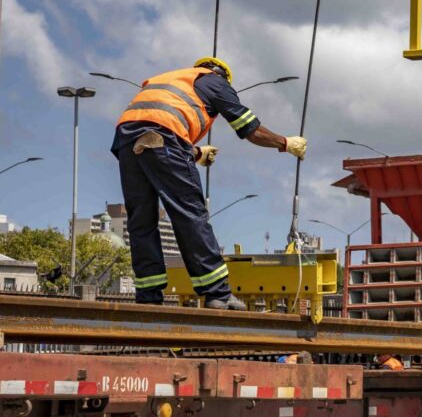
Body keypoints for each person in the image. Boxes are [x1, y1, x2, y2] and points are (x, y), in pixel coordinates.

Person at [112, 57, 307, 310]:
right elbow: (251, 130)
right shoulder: (215, 82)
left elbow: (151, 133)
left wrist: (196, 153)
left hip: (127, 140)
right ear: (223, 76)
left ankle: (148, 298)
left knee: (141, 221)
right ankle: (218, 294)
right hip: (163, 136)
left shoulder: (171, 79)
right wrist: (285, 143)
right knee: (190, 215)